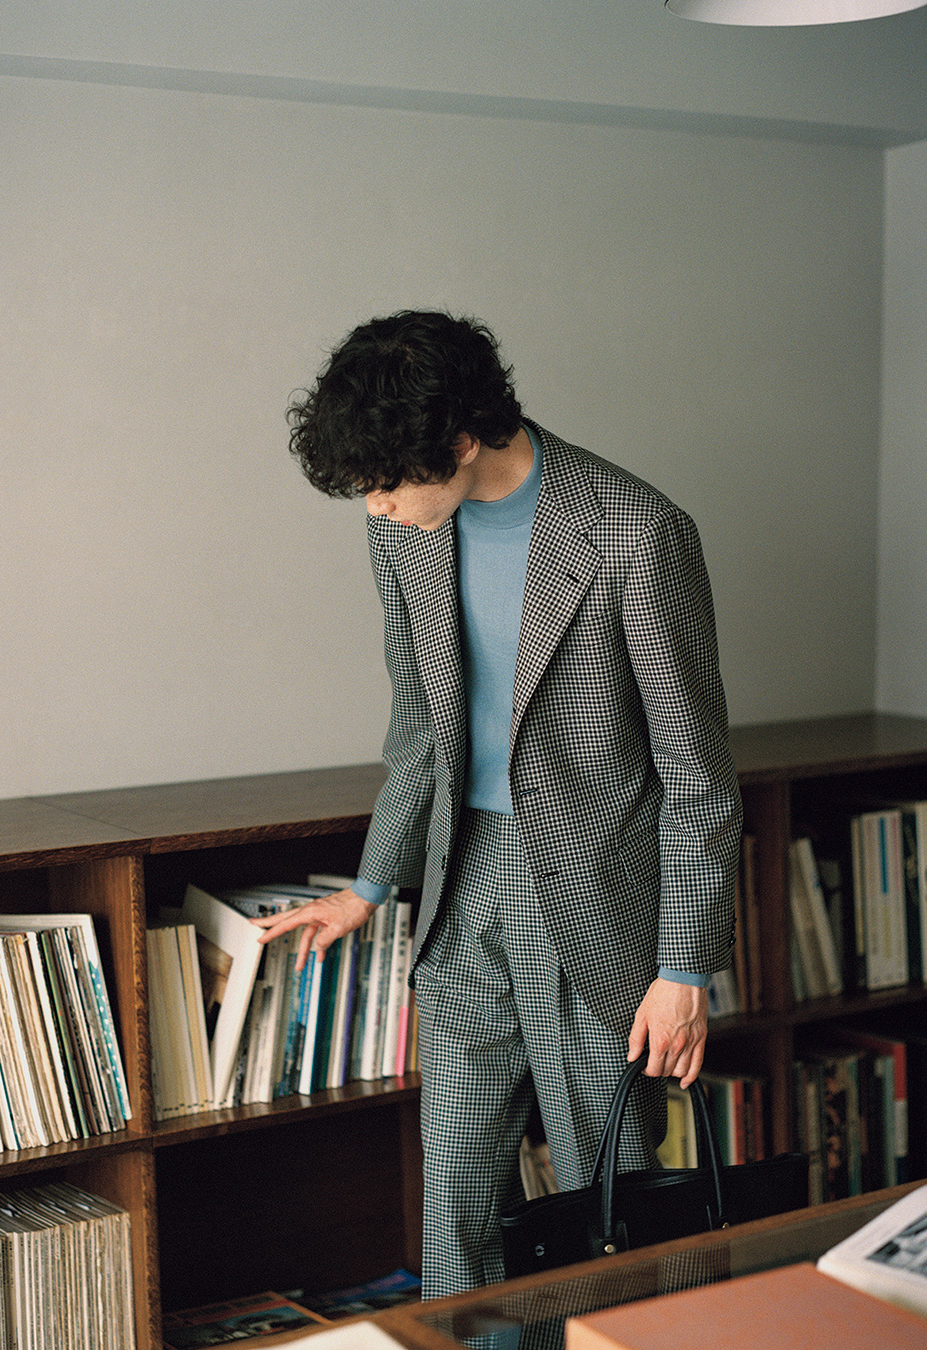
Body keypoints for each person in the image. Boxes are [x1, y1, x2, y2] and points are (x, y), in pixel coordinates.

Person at [254, 310, 742, 1300]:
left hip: (598, 909)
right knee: (457, 1205)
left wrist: (685, 966)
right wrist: (370, 886)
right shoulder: (402, 533)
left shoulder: (637, 531)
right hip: (460, 884)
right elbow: (418, 726)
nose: (377, 506)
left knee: (610, 1208)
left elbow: (697, 772)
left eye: (388, 483)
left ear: (462, 440)